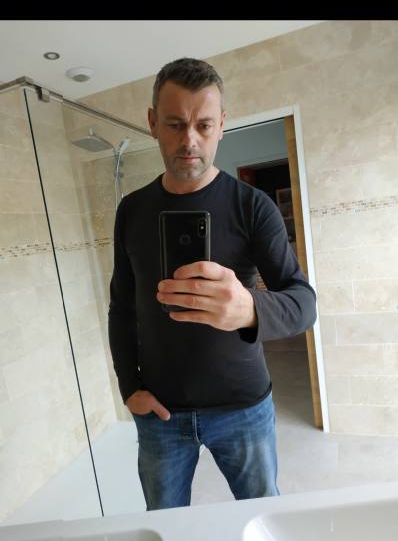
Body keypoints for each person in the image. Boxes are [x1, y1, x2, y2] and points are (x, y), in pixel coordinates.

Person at [108, 57, 317, 511]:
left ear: (221, 125)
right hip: (160, 412)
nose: (190, 140)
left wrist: (251, 309)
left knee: (263, 517)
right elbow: (121, 308)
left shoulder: (253, 206)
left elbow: (304, 303)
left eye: (203, 125)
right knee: (166, 527)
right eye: (175, 124)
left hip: (243, 408)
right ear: (152, 123)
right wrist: (128, 387)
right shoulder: (131, 211)